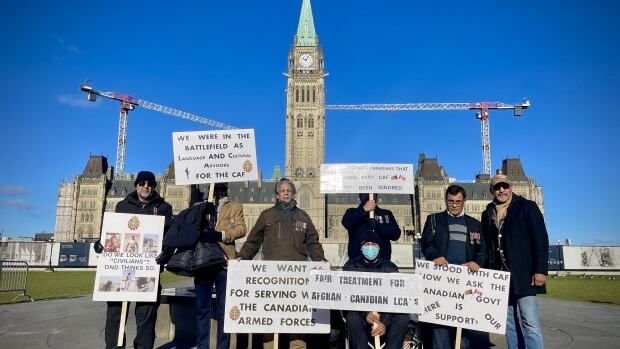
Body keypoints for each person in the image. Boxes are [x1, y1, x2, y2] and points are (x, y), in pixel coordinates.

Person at [238, 178, 326, 349]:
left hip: (297, 277)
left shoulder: (303, 216)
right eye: (282, 190)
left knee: (297, 319)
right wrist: (242, 257)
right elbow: (253, 241)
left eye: (289, 190)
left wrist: (321, 261)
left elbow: (313, 242)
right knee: (271, 318)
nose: (286, 192)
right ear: (277, 195)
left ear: (293, 193)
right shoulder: (267, 215)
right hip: (272, 277)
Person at [94, 170, 173, 349]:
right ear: (136, 185)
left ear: (154, 187)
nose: (146, 186)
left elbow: (170, 238)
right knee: (115, 314)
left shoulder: (164, 208)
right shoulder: (122, 206)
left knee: (146, 316)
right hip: (119, 270)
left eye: (150, 184)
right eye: (143, 183)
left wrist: (167, 252)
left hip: (147, 270)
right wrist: (100, 243)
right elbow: (113, 233)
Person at [481, 172, 548, 349]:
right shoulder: (487, 212)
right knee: (509, 323)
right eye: (497, 187)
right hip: (501, 278)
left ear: (511, 188)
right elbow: (487, 245)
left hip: (524, 275)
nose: (502, 190)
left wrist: (540, 270)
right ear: (492, 190)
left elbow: (540, 239)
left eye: (505, 186)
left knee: (530, 323)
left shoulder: (527, 206)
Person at [420, 184, 488, 349]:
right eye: (451, 201)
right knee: (440, 325)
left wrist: (477, 262)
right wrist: (434, 255)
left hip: (466, 281)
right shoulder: (434, 219)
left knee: (463, 327)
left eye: (458, 201)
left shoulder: (474, 224)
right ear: (446, 200)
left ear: (465, 200)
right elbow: (426, 243)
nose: (455, 204)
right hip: (441, 280)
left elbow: (483, 249)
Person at [195, 182, 247, 349]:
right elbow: (190, 228)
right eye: (216, 188)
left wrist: (221, 234)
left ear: (226, 189)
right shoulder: (200, 205)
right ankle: (202, 346)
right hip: (203, 261)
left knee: (224, 310)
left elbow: (241, 229)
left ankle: (222, 347)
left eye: (222, 188)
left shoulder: (235, 206)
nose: (218, 192)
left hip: (225, 262)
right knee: (202, 309)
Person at [343, 240, 409, 349]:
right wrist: (366, 313)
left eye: (373, 244)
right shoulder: (350, 266)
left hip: (385, 315)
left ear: (379, 247)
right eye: (366, 244)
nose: (370, 247)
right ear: (361, 247)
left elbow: (396, 297)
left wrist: (384, 322)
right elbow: (348, 295)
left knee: (403, 318)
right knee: (352, 316)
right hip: (361, 314)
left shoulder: (390, 267)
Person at [342, 193, 401, 261]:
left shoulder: (385, 214)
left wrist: (378, 225)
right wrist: (364, 210)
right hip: (357, 264)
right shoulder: (351, 212)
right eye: (365, 193)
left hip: (382, 264)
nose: (369, 195)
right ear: (360, 195)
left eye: (372, 193)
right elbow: (347, 223)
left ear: (376, 195)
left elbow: (396, 235)